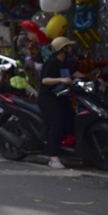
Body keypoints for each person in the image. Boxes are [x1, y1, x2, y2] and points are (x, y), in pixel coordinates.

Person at [39, 36, 78, 169]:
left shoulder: (65, 63)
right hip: (49, 99)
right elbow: (45, 80)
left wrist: (95, 79)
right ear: (63, 49)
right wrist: (61, 80)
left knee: (73, 119)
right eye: (69, 46)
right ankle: (53, 157)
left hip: (62, 98)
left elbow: (76, 74)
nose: (72, 49)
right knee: (56, 124)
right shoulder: (51, 63)